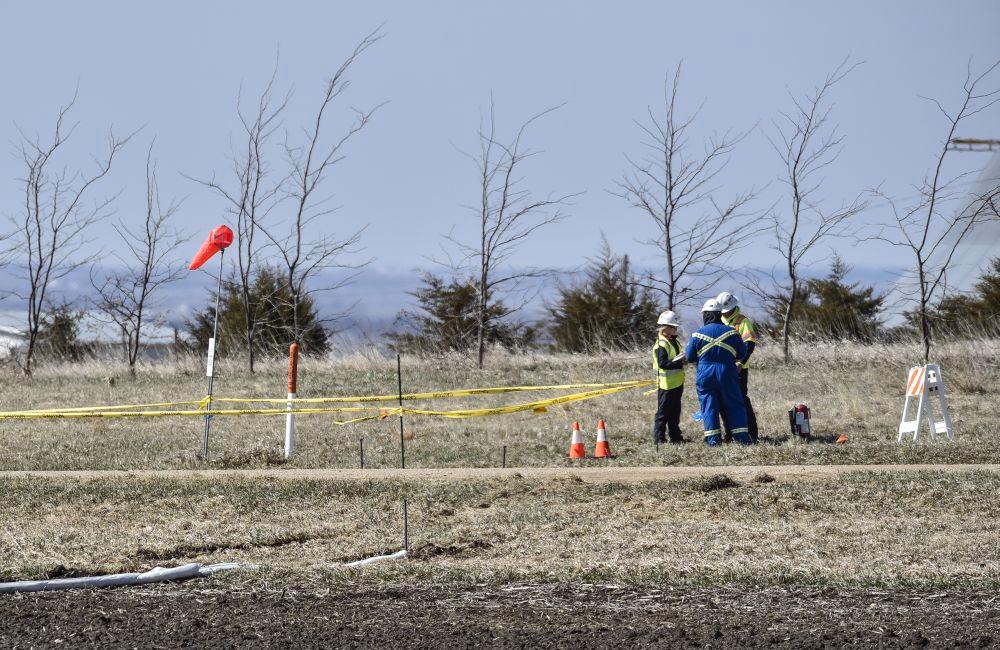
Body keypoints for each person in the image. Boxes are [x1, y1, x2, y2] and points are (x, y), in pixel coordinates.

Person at [685, 299, 751, 446]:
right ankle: (741, 439)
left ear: (705, 315)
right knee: (734, 404)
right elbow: (742, 353)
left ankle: (713, 441)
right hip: (727, 372)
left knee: (709, 407)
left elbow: (689, 357)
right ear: (719, 314)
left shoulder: (697, 335)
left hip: (705, 374)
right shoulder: (732, 332)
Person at [716, 292, 759, 443]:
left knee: (741, 399)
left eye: (727, 310)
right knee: (724, 400)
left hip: (739, 369)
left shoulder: (742, 321)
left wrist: (741, 362)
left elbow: (750, 343)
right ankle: (730, 434)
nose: (725, 313)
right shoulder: (719, 320)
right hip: (724, 368)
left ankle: (752, 433)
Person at [652, 310, 687, 445]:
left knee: (675, 412)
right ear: (665, 328)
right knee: (663, 413)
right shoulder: (661, 344)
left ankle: (675, 437)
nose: (676, 328)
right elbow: (663, 364)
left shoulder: (673, 341)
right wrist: (680, 362)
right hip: (666, 384)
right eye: (673, 327)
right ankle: (659, 438)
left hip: (677, 383)